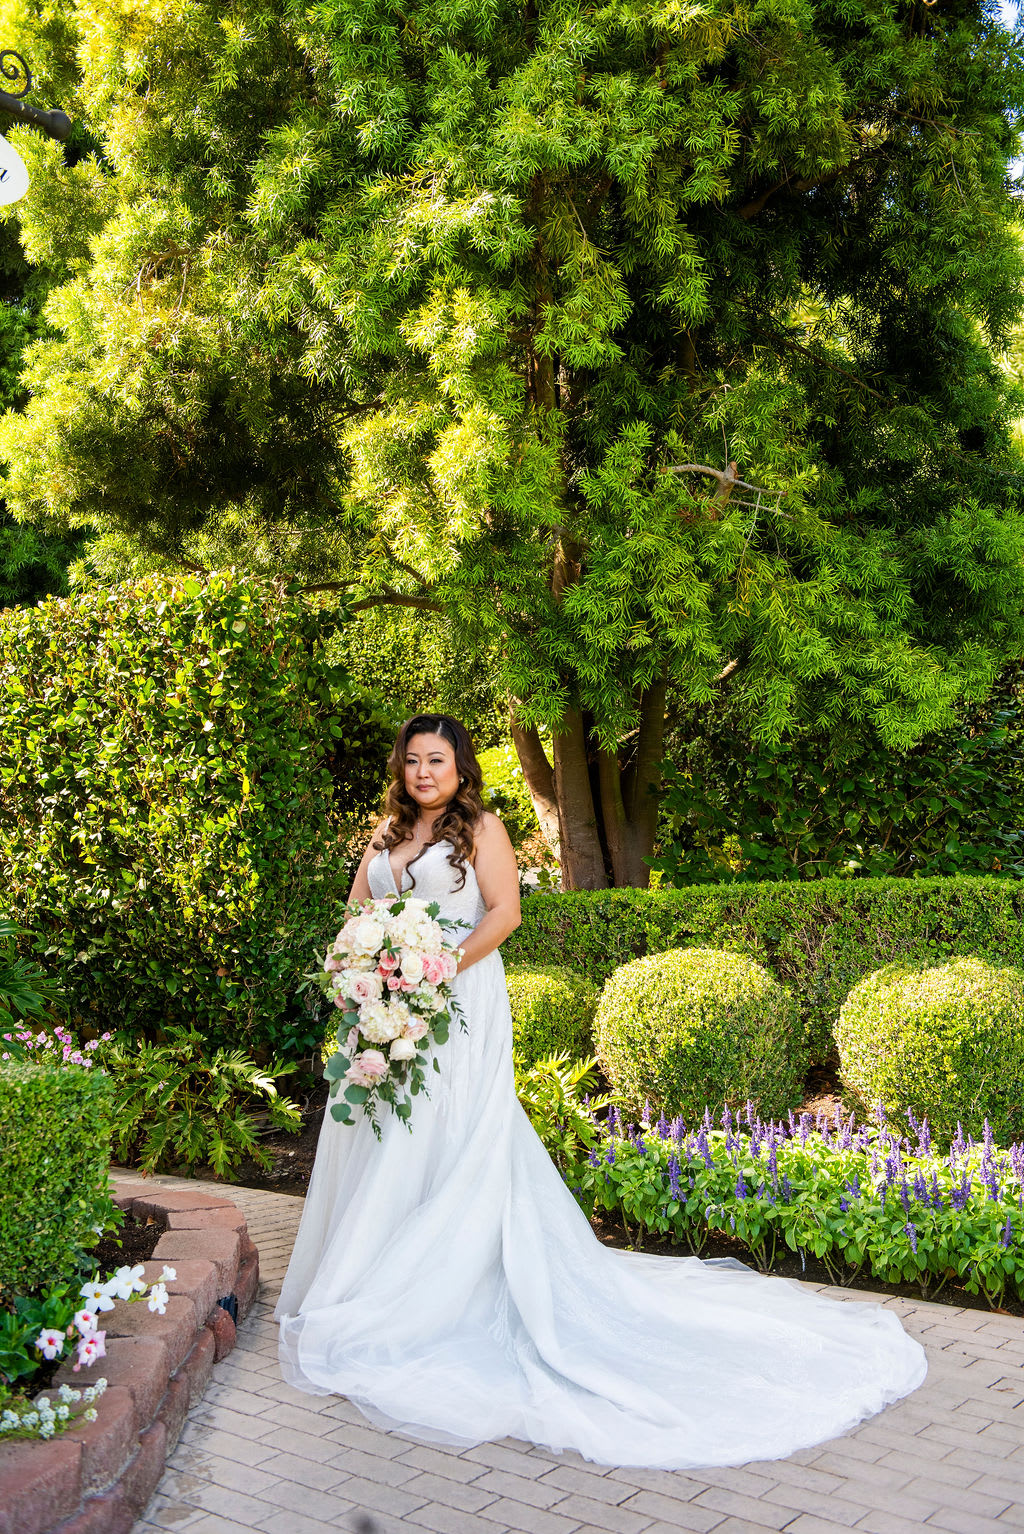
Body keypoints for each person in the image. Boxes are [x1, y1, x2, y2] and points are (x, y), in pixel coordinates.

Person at [276, 713, 927, 1469]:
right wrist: (367, 965)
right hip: (386, 1005)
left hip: (454, 999)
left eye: (438, 760)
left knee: (449, 1127)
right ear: (401, 766)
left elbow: (505, 914)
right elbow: (359, 911)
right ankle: (368, 1269)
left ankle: (438, 1283)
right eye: (414, 760)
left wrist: (435, 967)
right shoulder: (386, 834)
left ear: (459, 770)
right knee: (388, 1126)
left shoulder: (479, 830)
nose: (425, 773)